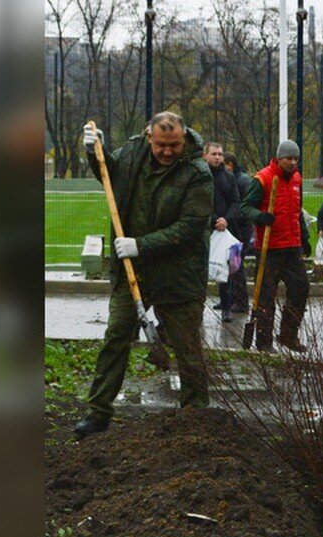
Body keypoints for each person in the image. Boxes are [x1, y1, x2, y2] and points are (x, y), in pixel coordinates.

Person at [74, 112, 212, 438]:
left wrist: (141, 244)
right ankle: (98, 412)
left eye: (174, 145)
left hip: (179, 275)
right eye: (162, 145)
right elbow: (110, 174)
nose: (167, 152)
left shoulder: (197, 172)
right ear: (150, 136)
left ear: (184, 139)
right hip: (133, 271)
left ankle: (195, 417)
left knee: (187, 348)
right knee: (116, 338)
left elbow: (191, 227)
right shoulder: (134, 152)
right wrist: (96, 153)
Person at [240, 140, 310, 353]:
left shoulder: (297, 179)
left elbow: (297, 212)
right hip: (269, 247)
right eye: (289, 158)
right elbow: (245, 207)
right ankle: (264, 342)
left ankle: (288, 335)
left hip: (292, 245)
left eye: (296, 159)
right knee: (266, 296)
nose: (292, 162)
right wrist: (260, 216)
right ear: (279, 158)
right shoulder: (263, 179)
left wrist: (305, 238)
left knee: (301, 287)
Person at [202, 142, 244, 322]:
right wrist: (212, 220)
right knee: (201, 273)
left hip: (228, 231)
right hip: (204, 231)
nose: (218, 157)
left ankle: (228, 307)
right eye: (214, 154)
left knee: (229, 271)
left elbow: (236, 202)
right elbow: (196, 204)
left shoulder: (229, 177)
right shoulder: (200, 177)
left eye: (220, 154)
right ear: (205, 155)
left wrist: (226, 219)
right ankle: (198, 310)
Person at [223, 151, 253, 311]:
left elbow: (245, 207)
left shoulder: (242, 181)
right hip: (237, 228)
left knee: (236, 265)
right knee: (232, 265)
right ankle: (231, 299)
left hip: (241, 230)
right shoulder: (236, 179)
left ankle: (241, 301)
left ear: (230, 164)